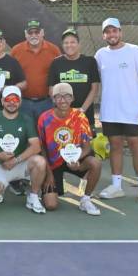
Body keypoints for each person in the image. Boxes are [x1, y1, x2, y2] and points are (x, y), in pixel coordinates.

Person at [95, 18, 138, 205]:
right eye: (107, 31)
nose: (111, 34)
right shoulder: (100, 55)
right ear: (103, 35)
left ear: (120, 32)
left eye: (114, 31)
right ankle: (116, 187)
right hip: (109, 111)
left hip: (133, 111)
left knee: (136, 145)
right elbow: (94, 81)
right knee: (115, 146)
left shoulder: (134, 50)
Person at [38, 83, 102, 216]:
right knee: (51, 205)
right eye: (58, 97)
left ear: (72, 98)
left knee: (95, 163)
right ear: (53, 99)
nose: (63, 100)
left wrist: (75, 160)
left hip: (74, 159)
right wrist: (49, 175)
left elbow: (86, 147)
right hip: (53, 163)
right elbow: (42, 148)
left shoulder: (80, 116)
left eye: (67, 96)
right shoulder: (44, 118)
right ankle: (47, 186)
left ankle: (86, 199)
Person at [0, 86, 46, 212]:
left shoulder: (27, 120)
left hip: (19, 163)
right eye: (8, 99)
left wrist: (16, 160)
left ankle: (33, 197)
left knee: (40, 162)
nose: (12, 103)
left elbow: (36, 146)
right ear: (2, 101)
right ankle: (1, 188)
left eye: (15, 99)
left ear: (20, 102)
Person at [47, 28, 101, 131]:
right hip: (63, 114)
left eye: (72, 42)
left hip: (85, 114)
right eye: (66, 43)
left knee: (85, 141)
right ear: (62, 45)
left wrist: (81, 110)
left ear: (79, 44)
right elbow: (51, 89)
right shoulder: (56, 63)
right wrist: (64, 110)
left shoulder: (90, 62)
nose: (69, 45)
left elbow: (94, 89)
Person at [10, 19, 61, 124]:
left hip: (47, 102)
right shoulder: (16, 51)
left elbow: (59, 75)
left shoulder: (54, 50)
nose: (34, 35)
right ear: (25, 34)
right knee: (25, 132)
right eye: (30, 32)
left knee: (47, 131)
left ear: (42, 33)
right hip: (23, 102)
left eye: (37, 32)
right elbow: (11, 74)